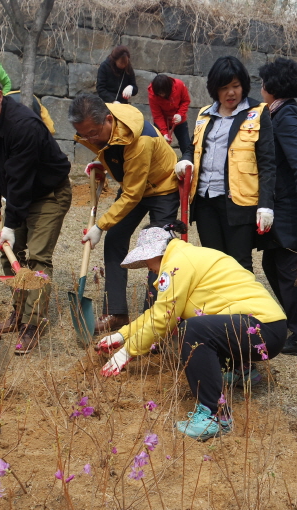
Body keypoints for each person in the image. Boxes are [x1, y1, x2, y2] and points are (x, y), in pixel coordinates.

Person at [96, 222, 287, 440]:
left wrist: (126, 352)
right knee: (204, 324)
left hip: (259, 328)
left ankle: (213, 416)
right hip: (268, 328)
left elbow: (164, 319)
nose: (147, 266)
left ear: (158, 251)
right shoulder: (187, 256)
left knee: (193, 329)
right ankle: (241, 371)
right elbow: (159, 312)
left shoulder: (177, 264)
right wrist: (122, 335)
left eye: (146, 259)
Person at [0, 69, 72, 353]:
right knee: (8, 252)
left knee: (37, 257)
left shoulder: (24, 125)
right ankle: (19, 309)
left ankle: (33, 322)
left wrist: (11, 220)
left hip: (48, 193)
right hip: (19, 193)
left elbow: (21, 178)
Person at [69, 93, 180, 333]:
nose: (89, 139)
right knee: (116, 238)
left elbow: (132, 194)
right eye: (84, 134)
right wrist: (105, 162)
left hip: (162, 186)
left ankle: (153, 318)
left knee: (158, 248)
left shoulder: (141, 140)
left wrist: (100, 226)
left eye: (93, 134)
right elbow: (113, 150)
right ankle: (116, 312)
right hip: (135, 183)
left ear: (109, 119)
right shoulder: (98, 120)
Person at [176, 56, 277, 272]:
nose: (231, 93)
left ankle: (242, 306)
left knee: (239, 263)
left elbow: (267, 163)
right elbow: (193, 147)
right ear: (215, 89)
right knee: (213, 262)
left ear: (244, 85)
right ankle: (219, 306)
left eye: (236, 86)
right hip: (205, 201)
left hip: (238, 203)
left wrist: (265, 205)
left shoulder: (258, 113)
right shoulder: (204, 114)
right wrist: (185, 159)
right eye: (224, 88)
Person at [257, 59, 297, 358]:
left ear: (271, 86)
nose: (260, 87)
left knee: (287, 269)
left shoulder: (287, 115)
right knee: (274, 265)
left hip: (290, 206)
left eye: (263, 82)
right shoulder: (277, 112)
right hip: (280, 203)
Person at [147, 74, 192, 156]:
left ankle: (188, 165)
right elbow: (157, 115)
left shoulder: (179, 85)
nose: (162, 95)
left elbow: (186, 101)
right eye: (159, 93)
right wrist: (164, 133)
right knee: (158, 145)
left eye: (163, 92)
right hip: (163, 120)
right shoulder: (152, 95)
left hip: (179, 120)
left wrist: (180, 114)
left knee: (186, 145)